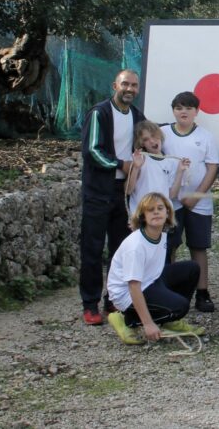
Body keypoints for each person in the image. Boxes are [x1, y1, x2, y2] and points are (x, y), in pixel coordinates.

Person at [79, 68, 145, 326]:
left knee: (120, 249)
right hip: (98, 191)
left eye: (134, 86)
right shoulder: (100, 113)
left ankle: (113, 299)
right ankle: (90, 303)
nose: (130, 89)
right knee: (93, 248)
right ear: (114, 86)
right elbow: (92, 150)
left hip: (125, 193)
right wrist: (121, 164)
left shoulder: (137, 116)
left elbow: (146, 144)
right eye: (125, 84)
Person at [105, 193, 203, 344]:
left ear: (168, 212)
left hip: (150, 280)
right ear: (143, 216)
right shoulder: (136, 246)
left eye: (160, 208)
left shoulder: (161, 234)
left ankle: (170, 319)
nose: (156, 212)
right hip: (127, 294)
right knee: (180, 307)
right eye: (150, 210)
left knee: (192, 269)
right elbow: (133, 286)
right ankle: (127, 319)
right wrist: (148, 323)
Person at [160, 91, 219, 313]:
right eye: (178, 107)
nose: (183, 112)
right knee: (170, 245)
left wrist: (196, 195)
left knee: (199, 246)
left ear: (197, 111)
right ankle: (168, 289)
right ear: (173, 110)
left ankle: (202, 293)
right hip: (170, 201)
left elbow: (212, 167)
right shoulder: (163, 133)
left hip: (198, 202)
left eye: (188, 108)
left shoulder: (205, 136)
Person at [125, 121, 188, 217]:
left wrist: (180, 171)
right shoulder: (139, 158)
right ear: (142, 143)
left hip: (162, 216)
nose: (152, 141)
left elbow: (172, 195)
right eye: (146, 139)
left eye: (154, 135)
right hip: (141, 215)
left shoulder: (170, 161)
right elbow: (128, 190)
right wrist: (136, 168)